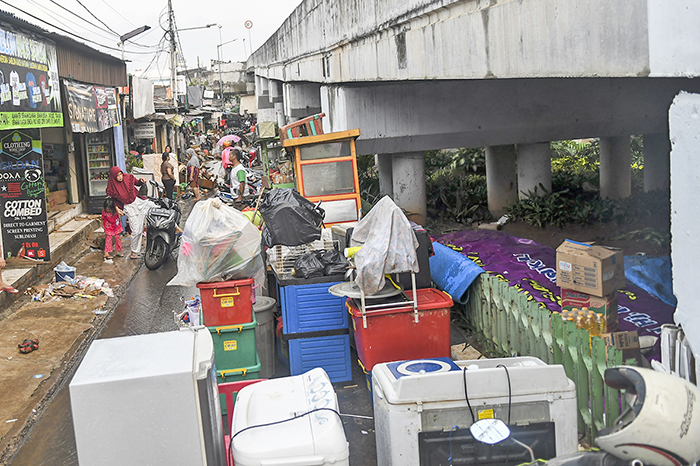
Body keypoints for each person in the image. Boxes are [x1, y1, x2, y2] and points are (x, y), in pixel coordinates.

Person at [106, 167, 156, 260]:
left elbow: (137, 182)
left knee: (155, 207)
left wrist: (141, 180)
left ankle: (174, 227)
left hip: (139, 202)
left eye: (120, 174)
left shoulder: (128, 177)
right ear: (113, 177)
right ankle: (134, 251)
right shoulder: (113, 187)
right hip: (129, 208)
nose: (120, 177)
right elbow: (115, 200)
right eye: (117, 175)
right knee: (136, 230)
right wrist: (117, 209)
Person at [102, 197, 123, 263]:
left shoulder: (116, 210)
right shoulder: (104, 211)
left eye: (109, 209)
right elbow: (102, 218)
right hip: (108, 226)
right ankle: (106, 253)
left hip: (116, 226)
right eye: (107, 209)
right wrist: (103, 226)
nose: (108, 211)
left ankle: (118, 251)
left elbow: (122, 214)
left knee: (117, 238)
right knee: (108, 239)